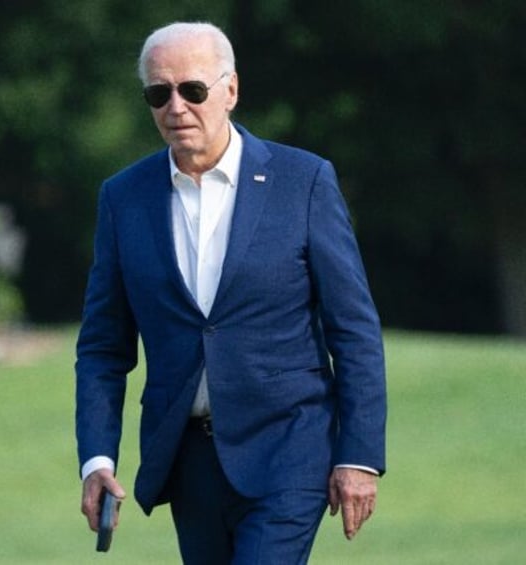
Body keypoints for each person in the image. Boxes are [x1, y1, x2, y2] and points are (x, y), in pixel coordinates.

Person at [75, 21, 387, 564]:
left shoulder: (303, 182)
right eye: (159, 93)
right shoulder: (124, 198)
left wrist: (358, 455)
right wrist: (97, 458)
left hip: (290, 449)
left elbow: (354, 328)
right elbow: (103, 348)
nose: (176, 106)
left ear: (231, 90)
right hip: (188, 457)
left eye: (192, 90)